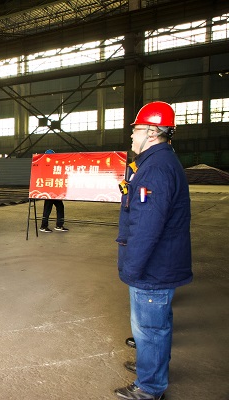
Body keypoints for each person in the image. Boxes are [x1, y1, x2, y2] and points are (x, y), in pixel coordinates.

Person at [114, 101, 192, 400]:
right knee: (156, 325)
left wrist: (132, 268)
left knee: (150, 328)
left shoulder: (156, 168)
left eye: (135, 130)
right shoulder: (156, 163)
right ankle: (151, 367)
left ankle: (150, 387)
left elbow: (147, 226)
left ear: (152, 132)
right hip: (160, 262)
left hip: (153, 267)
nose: (131, 135)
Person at [39, 149, 69, 233]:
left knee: (59, 206)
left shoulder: (53, 165)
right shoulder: (46, 165)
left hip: (54, 191)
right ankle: (43, 226)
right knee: (48, 208)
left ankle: (59, 225)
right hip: (49, 191)